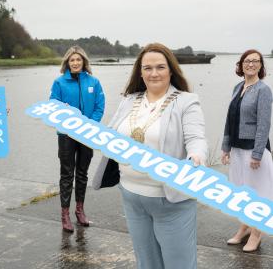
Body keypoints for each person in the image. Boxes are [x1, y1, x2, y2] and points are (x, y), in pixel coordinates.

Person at [96, 43, 207, 269]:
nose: (153, 73)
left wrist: (196, 156)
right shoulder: (129, 100)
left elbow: (196, 138)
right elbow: (109, 134)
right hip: (131, 196)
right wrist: (77, 123)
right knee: (146, 263)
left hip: (171, 199)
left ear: (171, 70)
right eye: (147, 68)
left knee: (179, 264)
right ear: (140, 71)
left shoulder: (186, 101)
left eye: (160, 67)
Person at [221, 49, 273, 252]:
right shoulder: (237, 86)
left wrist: (257, 154)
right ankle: (244, 227)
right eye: (247, 61)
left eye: (255, 61)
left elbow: (263, 124)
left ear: (261, 66)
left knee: (258, 193)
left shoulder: (264, 90)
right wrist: (225, 147)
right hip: (237, 148)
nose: (250, 64)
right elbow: (229, 119)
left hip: (253, 149)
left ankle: (257, 233)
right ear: (241, 65)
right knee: (242, 191)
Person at [50, 46, 105, 232]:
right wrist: (60, 108)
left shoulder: (94, 82)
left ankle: (79, 211)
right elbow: (52, 105)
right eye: (72, 60)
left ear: (83, 62)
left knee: (82, 173)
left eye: (78, 60)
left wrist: (89, 125)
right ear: (67, 62)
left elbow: (99, 106)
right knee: (67, 174)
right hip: (65, 135)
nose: (75, 63)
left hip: (87, 134)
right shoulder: (59, 82)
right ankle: (65, 214)